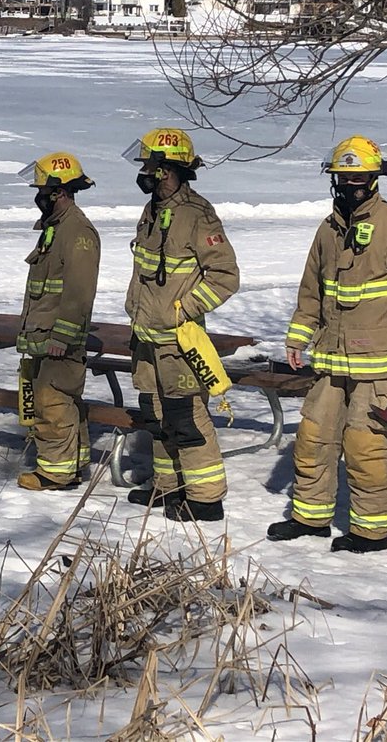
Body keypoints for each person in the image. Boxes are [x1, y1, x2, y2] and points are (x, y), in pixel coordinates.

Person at [268, 135, 387, 553]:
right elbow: (312, 290)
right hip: (330, 363)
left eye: (358, 175)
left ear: (376, 177)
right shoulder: (328, 231)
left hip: (379, 370)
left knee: (368, 448)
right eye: (342, 176)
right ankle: (310, 519)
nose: (349, 183)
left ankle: (370, 532)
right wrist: (299, 335)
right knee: (312, 439)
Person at [122, 128, 240, 522]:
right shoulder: (154, 209)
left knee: (186, 417)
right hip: (147, 338)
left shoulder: (197, 214)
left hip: (178, 342)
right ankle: (169, 488)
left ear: (168, 170)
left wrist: (183, 309)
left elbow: (224, 277)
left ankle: (206, 499)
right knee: (156, 416)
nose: (144, 173)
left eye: (150, 166)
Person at [13, 152, 101, 490]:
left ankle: (56, 473)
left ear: (59, 192)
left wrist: (62, 337)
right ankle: (71, 464)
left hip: (58, 338)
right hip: (43, 333)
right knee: (58, 401)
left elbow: (79, 292)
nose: (38, 197)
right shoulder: (56, 228)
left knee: (54, 403)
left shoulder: (77, 232)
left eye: (42, 191)